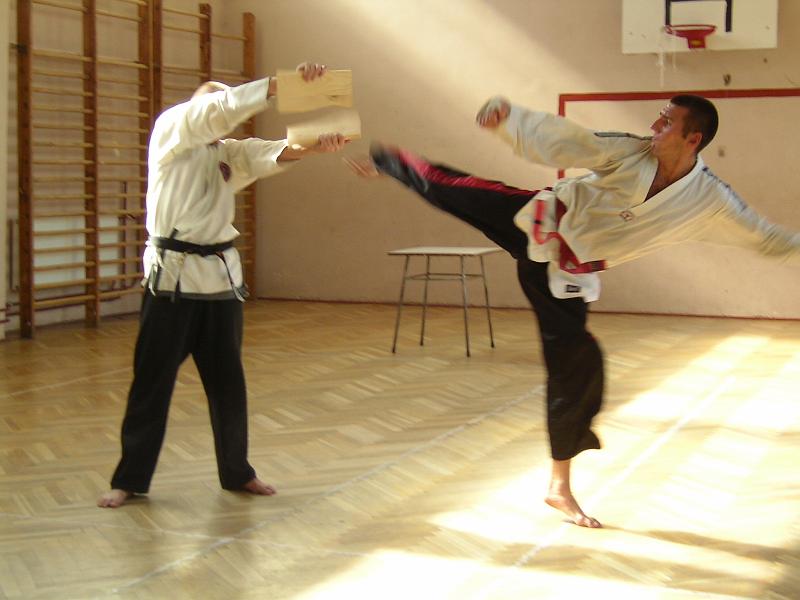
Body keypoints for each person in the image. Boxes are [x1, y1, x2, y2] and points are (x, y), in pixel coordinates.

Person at [346, 94, 800, 528]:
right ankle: (392, 162)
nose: (654, 125)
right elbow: (573, 141)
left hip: (563, 272)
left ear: (692, 138)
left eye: (666, 122)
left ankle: (558, 486)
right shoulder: (631, 151)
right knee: (459, 190)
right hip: (539, 221)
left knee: (576, 364)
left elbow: (764, 235)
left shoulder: (709, 198)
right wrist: (510, 121)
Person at [98, 62, 348, 508]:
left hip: (219, 286)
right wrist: (279, 85)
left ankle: (237, 472)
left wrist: (316, 144)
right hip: (171, 284)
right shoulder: (171, 133)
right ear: (197, 109)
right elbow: (217, 111)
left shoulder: (227, 153)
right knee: (152, 384)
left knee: (228, 385)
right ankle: (129, 479)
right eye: (212, 106)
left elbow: (272, 153)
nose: (219, 117)